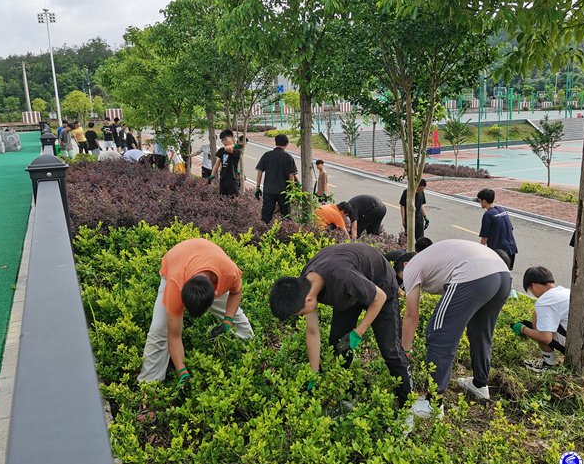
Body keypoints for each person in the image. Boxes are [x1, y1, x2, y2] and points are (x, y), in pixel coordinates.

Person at [269, 243, 413, 406]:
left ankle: (408, 402)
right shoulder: (304, 285)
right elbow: (312, 332)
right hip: (351, 290)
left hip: (380, 284)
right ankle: (345, 392)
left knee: (391, 351)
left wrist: (358, 332)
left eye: (301, 313)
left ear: (308, 300)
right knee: (338, 344)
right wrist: (314, 373)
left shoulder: (341, 276)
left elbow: (378, 297)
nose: (303, 315)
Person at [395, 240, 511, 402]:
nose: (406, 285)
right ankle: (479, 384)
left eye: (401, 278)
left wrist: (404, 351)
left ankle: (433, 402)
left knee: (439, 334)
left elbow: (411, 315)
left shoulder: (411, 267)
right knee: (480, 332)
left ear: (405, 265)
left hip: (473, 274)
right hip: (503, 274)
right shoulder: (434, 259)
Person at [137, 239, 254, 389]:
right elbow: (174, 336)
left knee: (237, 319)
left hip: (209, 261)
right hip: (176, 263)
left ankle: (255, 356)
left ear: (216, 293)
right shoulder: (175, 287)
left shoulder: (228, 272)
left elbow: (236, 292)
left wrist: (227, 322)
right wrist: (182, 372)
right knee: (159, 330)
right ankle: (148, 388)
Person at [513, 266, 584, 371]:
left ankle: (548, 365)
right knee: (542, 323)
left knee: (536, 321)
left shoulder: (544, 301)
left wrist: (523, 329)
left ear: (534, 286)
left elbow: (545, 338)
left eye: (530, 290)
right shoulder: (567, 292)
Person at [255, 134, 299, 223]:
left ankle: (264, 233)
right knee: (286, 216)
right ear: (286, 144)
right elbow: (291, 176)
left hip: (269, 191)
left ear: (275, 143)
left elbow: (259, 172)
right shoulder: (288, 157)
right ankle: (286, 233)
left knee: (266, 216)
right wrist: (293, 191)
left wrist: (258, 187)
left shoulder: (267, 155)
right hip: (284, 192)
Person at [476, 189, 518, 271]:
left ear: (484, 201)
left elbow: (485, 236)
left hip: (500, 253)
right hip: (511, 249)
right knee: (507, 275)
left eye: (480, 200)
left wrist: (479, 251)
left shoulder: (488, 215)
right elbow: (510, 229)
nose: (480, 203)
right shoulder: (502, 210)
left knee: (496, 275)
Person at [210, 130, 242, 196]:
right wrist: (212, 175)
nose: (224, 142)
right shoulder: (221, 150)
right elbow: (217, 163)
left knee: (233, 198)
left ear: (232, 138)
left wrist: (234, 145)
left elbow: (228, 149)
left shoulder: (237, 150)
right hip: (223, 178)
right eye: (222, 140)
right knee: (222, 198)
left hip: (233, 178)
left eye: (225, 139)